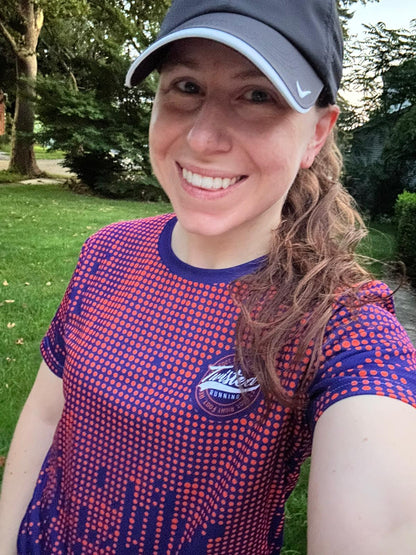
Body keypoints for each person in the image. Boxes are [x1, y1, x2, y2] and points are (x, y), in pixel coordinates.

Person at [1, 0, 416, 553]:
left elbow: (381, 516)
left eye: (257, 95)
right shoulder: (106, 253)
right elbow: (48, 417)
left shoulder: (339, 325)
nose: (202, 139)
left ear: (316, 134)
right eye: (187, 87)